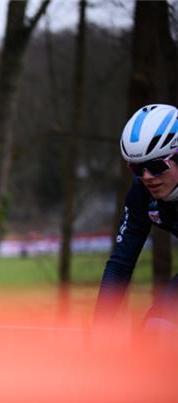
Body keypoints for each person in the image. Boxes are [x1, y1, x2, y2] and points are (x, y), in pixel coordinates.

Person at [94, 103, 178, 329]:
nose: (147, 177)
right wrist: (99, 328)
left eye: (156, 165)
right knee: (156, 330)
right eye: (137, 168)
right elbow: (120, 264)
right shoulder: (142, 192)